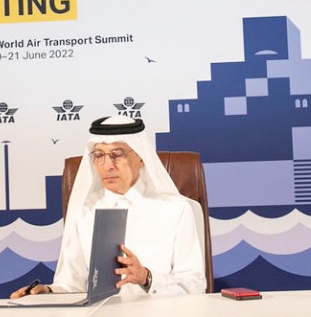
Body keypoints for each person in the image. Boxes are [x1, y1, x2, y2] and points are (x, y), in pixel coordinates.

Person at [11, 116, 207, 298]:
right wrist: (47, 293)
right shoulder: (85, 210)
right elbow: (73, 285)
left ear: (141, 158)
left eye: (117, 155)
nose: (107, 166)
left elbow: (194, 286)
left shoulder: (175, 209)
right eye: (99, 155)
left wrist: (147, 278)